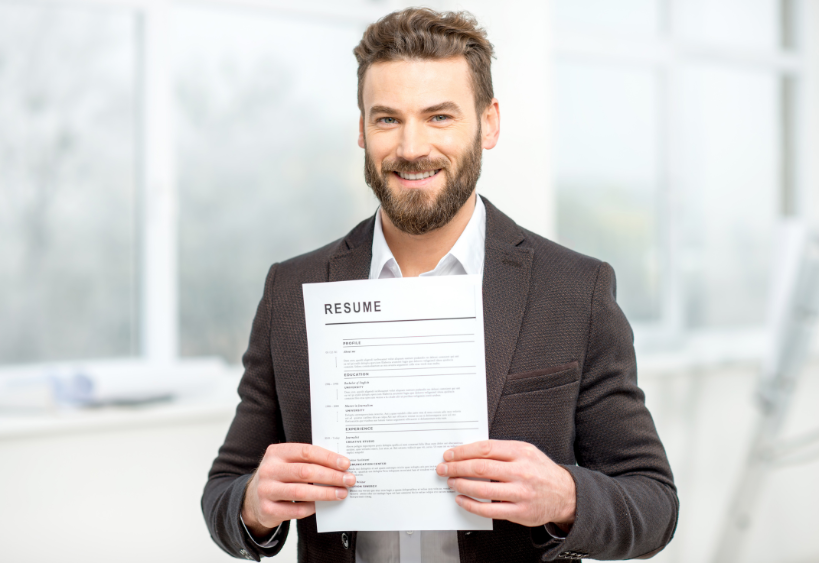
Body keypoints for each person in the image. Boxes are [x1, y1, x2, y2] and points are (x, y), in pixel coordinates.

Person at [202, 8, 678, 562]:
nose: (411, 147)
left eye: (439, 117)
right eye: (386, 119)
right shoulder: (292, 290)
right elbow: (224, 492)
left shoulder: (574, 290)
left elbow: (654, 505)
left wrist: (565, 495)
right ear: (360, 128)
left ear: (489, 122)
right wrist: (254, 505)